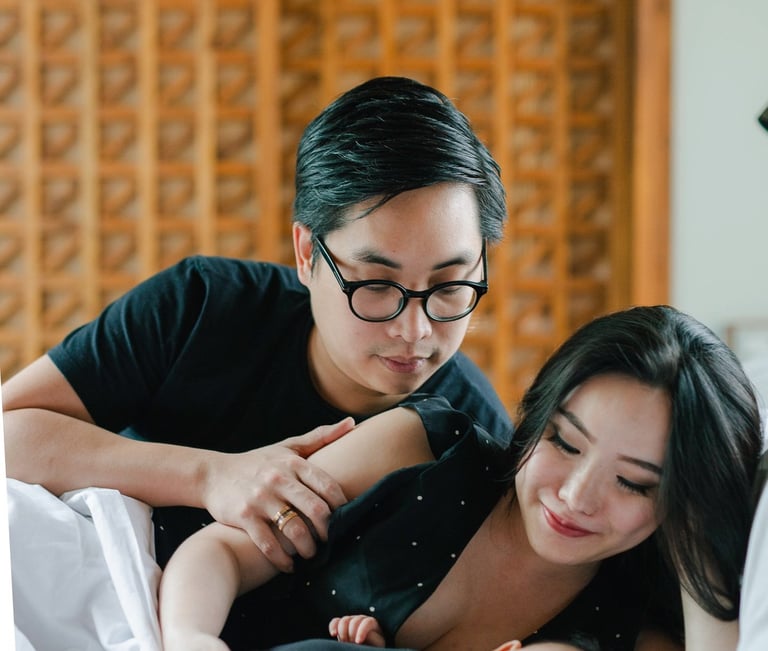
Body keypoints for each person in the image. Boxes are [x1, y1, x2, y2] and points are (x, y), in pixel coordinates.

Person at [1, 76, 510, 647]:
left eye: (449, 286)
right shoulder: (203, 307)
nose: (414, 330)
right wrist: (210, 475)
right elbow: (9, 436)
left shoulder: (474, 440)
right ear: (306, 254)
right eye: (374, 283)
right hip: (83, 594)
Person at [157, 305, 763, 651]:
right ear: (538, 414)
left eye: (635, 484)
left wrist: (699, 535)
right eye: (563, 441)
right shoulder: (422, 445)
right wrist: (190, 640)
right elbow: (224, 551)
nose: (574, 497)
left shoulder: (633, 627)